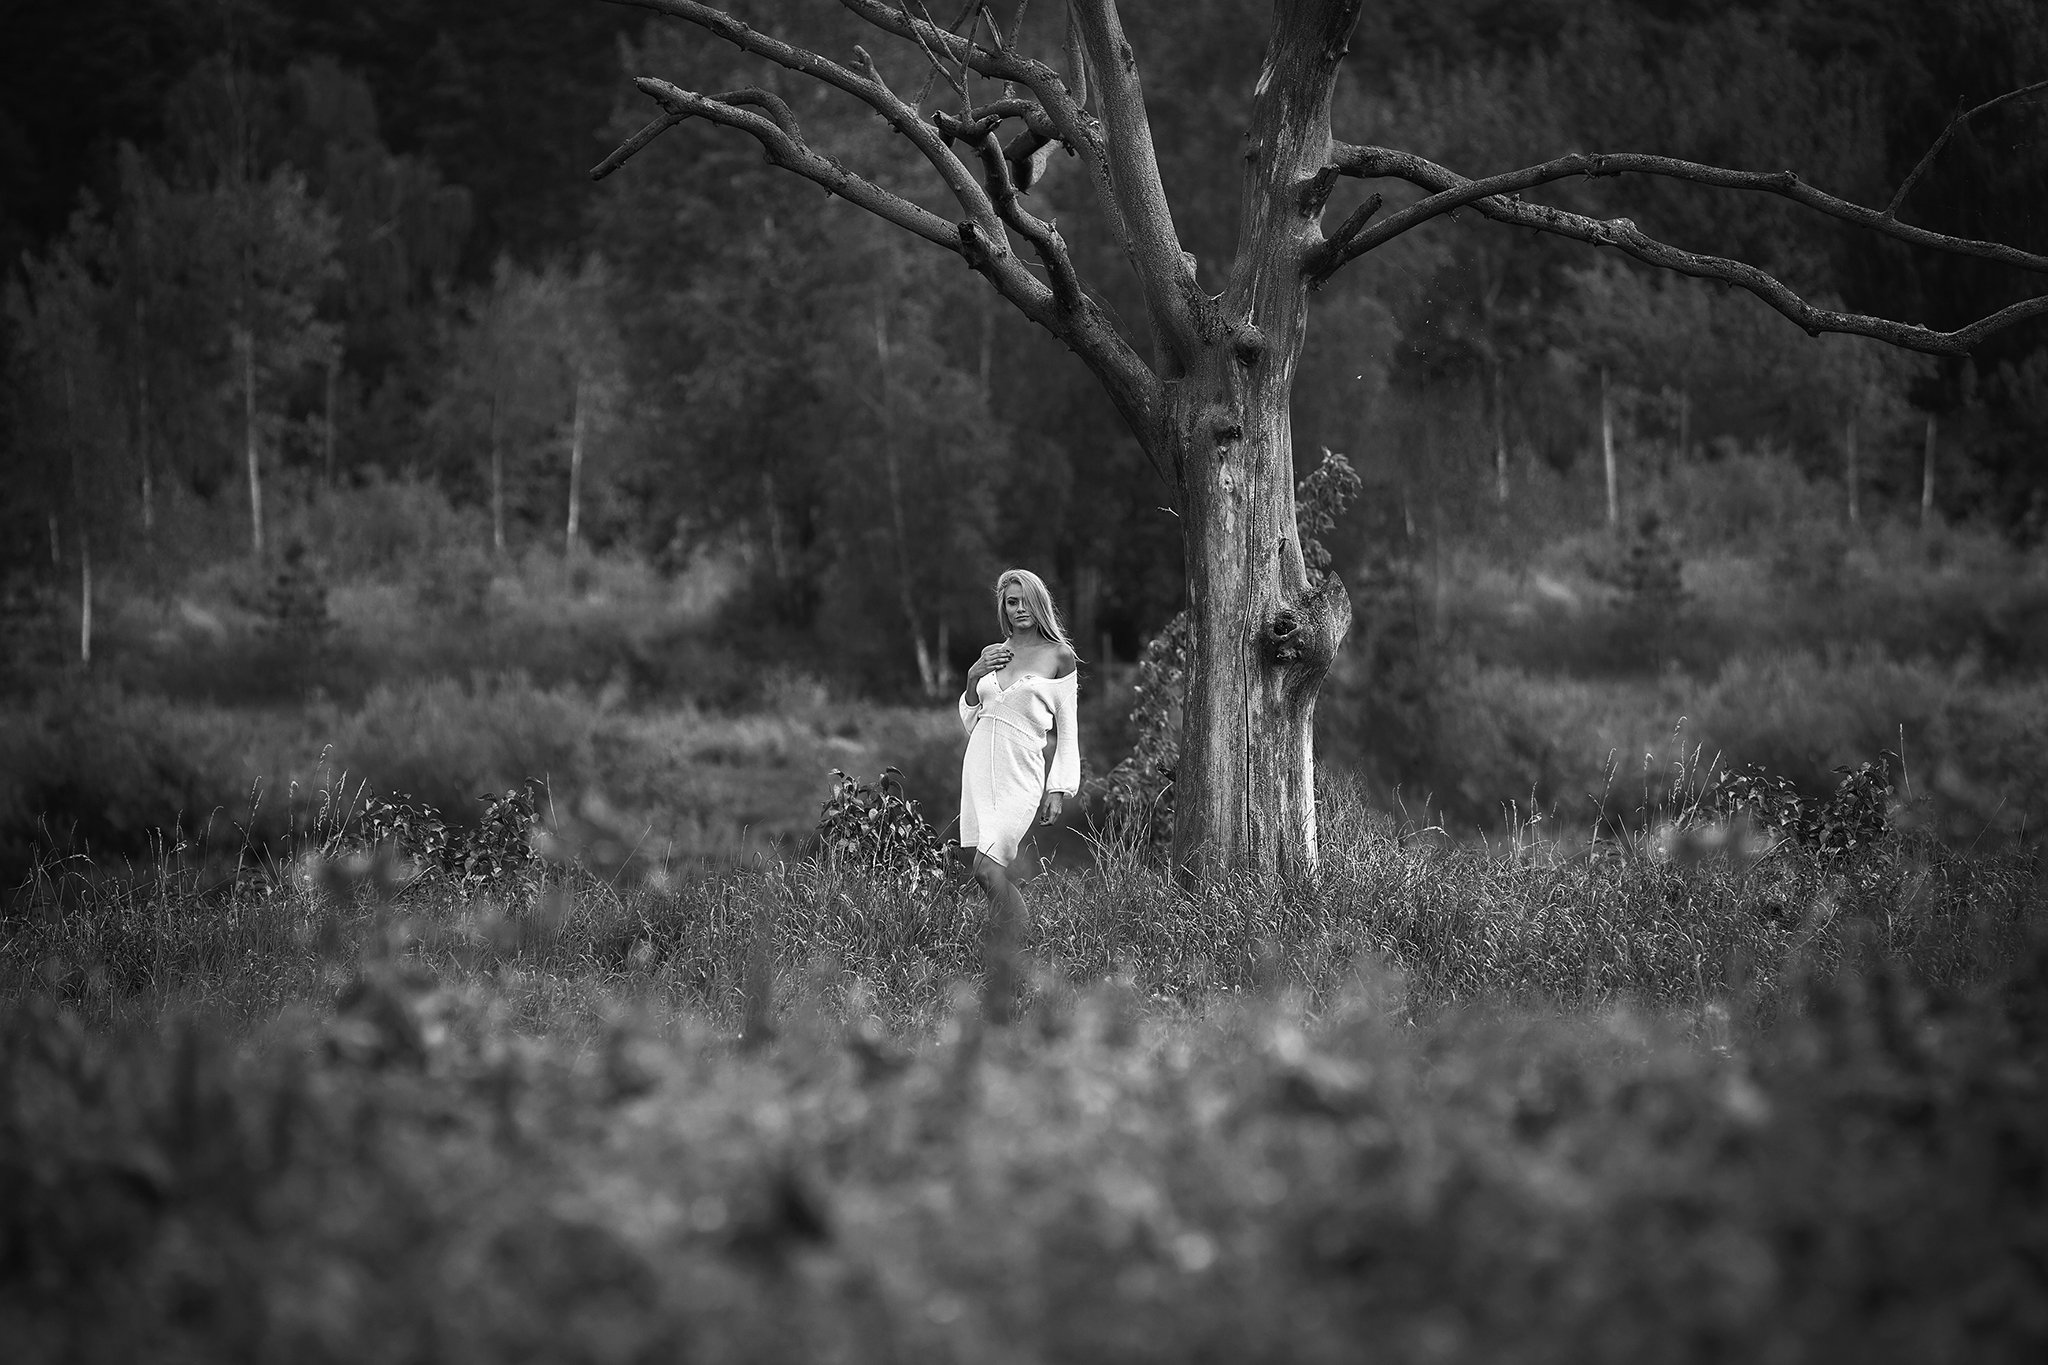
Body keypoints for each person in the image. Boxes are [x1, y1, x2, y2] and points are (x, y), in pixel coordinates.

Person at [958, 568, 1079, 924]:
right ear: (1004, 608)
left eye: (1027, 601)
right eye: (1012, 602)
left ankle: (1025, 938)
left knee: (986, 868)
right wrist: (972, 676)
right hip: (981, 766)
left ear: (1040, 603)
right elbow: (972, 718)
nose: (1020, 609)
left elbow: (1068, 728)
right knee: (985, 870)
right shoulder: (994, 653)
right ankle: (1006, 942)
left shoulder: (1059, 656)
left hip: (1020, 770)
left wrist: (1058, 789)